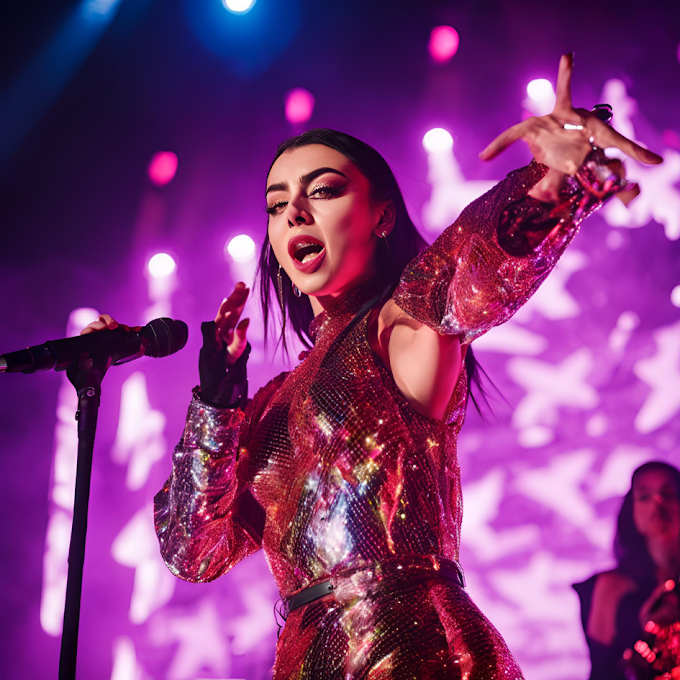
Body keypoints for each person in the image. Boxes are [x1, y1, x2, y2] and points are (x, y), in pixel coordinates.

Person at [82, 55, 662, 678]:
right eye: (277, 205)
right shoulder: (272, 403)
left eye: (323, 190)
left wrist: (552, 181)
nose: (294, 213)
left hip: (412, 648)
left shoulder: (400, 324)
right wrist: (216, 409)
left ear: (382, 216)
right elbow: (192, 551)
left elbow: (470, 270)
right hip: (308, 659)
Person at [574, 462, 680, 680]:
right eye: (644, 496)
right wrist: (647, 637)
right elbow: (602, 673)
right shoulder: (611, 587)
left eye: (669, 494)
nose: (657, 503)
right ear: (632, 510)